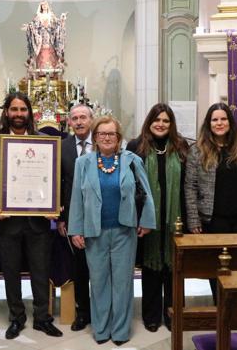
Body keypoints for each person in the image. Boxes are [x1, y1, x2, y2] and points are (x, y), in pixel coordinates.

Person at [68, 116, 156, 346]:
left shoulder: (132, 160)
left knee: (122, 283)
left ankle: (119, 331)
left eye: (111, 134)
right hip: (94, 232)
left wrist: (146, 221)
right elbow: (76, 198)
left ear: (119, 137)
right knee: (98, 282)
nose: (107, 138)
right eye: (102, 134)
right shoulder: (83, 163)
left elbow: (146, 193)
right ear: (95, 137)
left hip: (124, 231)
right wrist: (75, 229)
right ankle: (101, 329)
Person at [0, 92, 63, 339]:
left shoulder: (44, 141)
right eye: (14, 109)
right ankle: (16, 317)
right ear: (6, 112)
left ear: (30, 113)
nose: (19, 114)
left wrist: (53, 204)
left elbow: (53, 177)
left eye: (23, 110)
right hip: (7, 222)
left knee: (41, 271)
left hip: (38, 221)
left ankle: (42, 318)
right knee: (10, 271)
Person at [127, 103, 189, 332]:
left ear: (171, 124)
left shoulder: (181, 146)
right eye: (157, 120)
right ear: (149, 121)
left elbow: (187, 185)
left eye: (165, 121)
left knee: (175, 268)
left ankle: (173, 314)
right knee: (151, 269)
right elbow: (131, 184)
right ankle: (151, 315)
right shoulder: (136, 146)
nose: (161, 124)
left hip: (176, 217)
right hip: (147, 218)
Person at [184, 103, 237, 301]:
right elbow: (190, 186)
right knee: (217, 267)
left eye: (223, 119)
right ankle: (221, 306)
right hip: (214, 219)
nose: (219, 123)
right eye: (215, 119)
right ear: (209, 123)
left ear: (230, 123)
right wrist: (194, 220)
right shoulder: (197, 150)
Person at [57, 103, 94, 332]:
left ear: (91, 120)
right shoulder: (63, 147)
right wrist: (61, 218)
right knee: (80, 269)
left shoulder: (103, 143)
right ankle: (83, 313)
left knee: (100, 269)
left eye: (83, 117)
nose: (79, 122)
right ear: (69, 122)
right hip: (74, 217)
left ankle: (101, 311)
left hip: (102, 217)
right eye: (75, 118)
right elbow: (59, 185)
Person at [22, 0, 67, 73]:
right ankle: (41, 76)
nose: (44, 6)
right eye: (42, 5)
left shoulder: (51, 15)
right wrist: (28, 27)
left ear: (48, 5)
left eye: (45, 4)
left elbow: (58, 25)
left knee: (52, 60)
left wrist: (62, 20)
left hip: (50, 42)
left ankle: (53, 76)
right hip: (41, 43)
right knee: (41, 59)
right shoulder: (38, 16)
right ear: (41, 6)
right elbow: (33, 25)